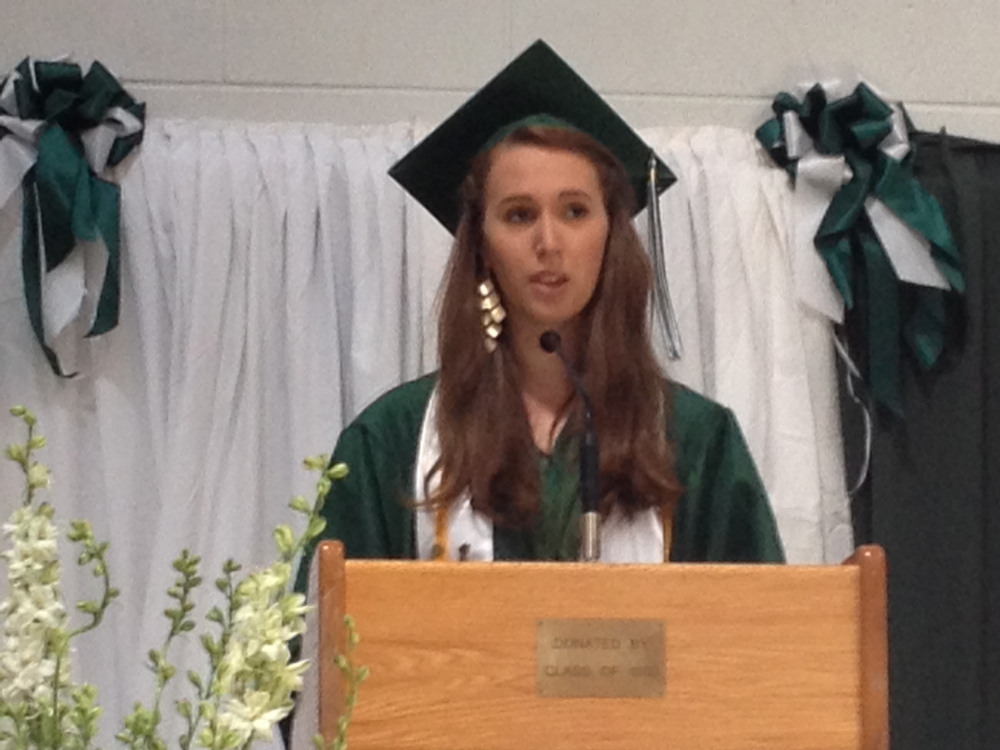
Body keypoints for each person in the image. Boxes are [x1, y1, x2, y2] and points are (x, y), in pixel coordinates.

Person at [296, 41, 784, 578]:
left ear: (611, 234)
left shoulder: (695, 442)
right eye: (519, 214)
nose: (548, 241)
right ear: (481, 244)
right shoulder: (392, 441)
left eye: (575, 211)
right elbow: (325, 645)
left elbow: (761, 640)